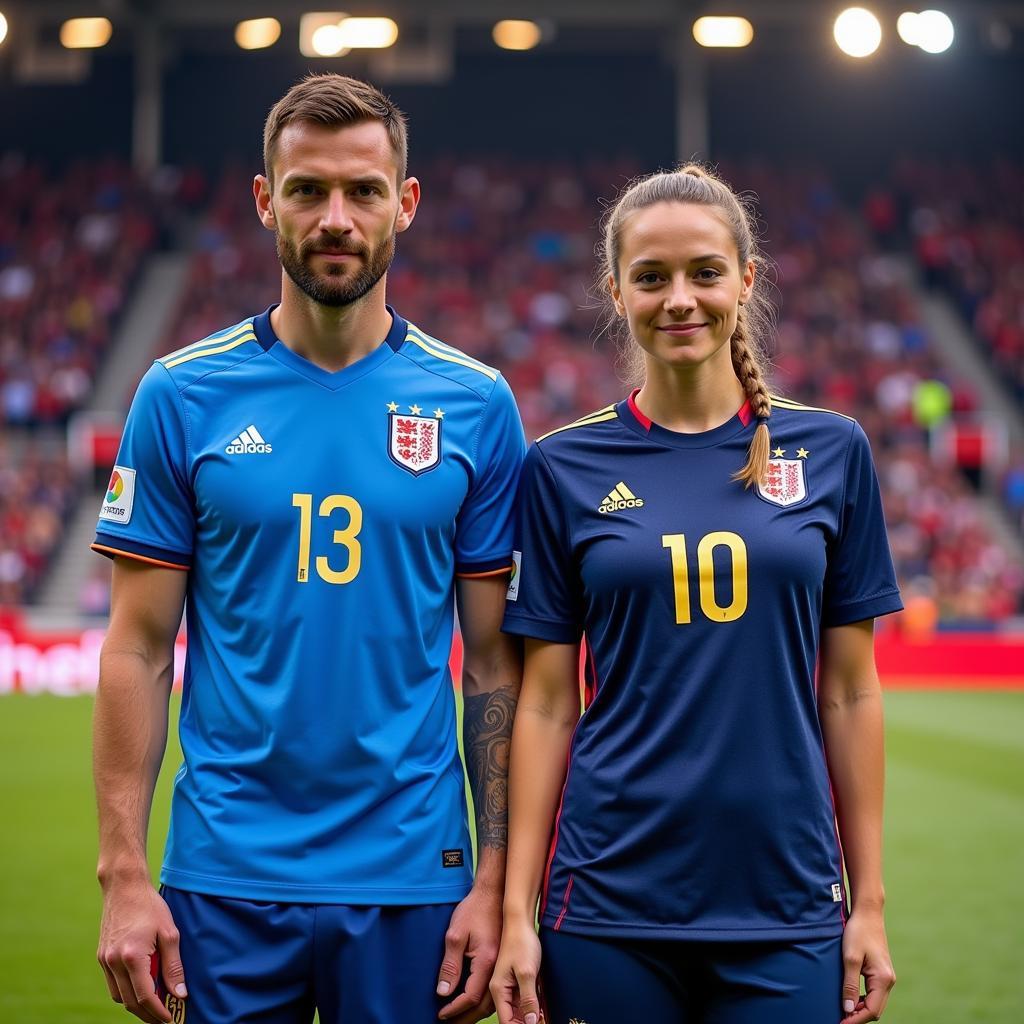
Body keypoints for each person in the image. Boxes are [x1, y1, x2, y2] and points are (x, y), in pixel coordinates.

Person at [92, 73, 525, 1024]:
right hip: (224, 872)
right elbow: (133, 645)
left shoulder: (478, 405)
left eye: (364, 191)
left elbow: (495, 668)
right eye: (308, 190)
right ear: (265, 201)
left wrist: (494, 884)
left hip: (416, 876)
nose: (337, 217)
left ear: (404, 204)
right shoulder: (179, 394)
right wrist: (124, 871)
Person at [492, 165, 901, 1024]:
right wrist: (516, 913)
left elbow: (851, 689)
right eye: (652, 277)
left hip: (787, 902)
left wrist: (868, 904)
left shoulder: (832, 451)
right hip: (607, 899)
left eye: (704, 273)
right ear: (617, 291)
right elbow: (544, 706)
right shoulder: (561, 467)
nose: (680, 299)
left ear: (746, 281)